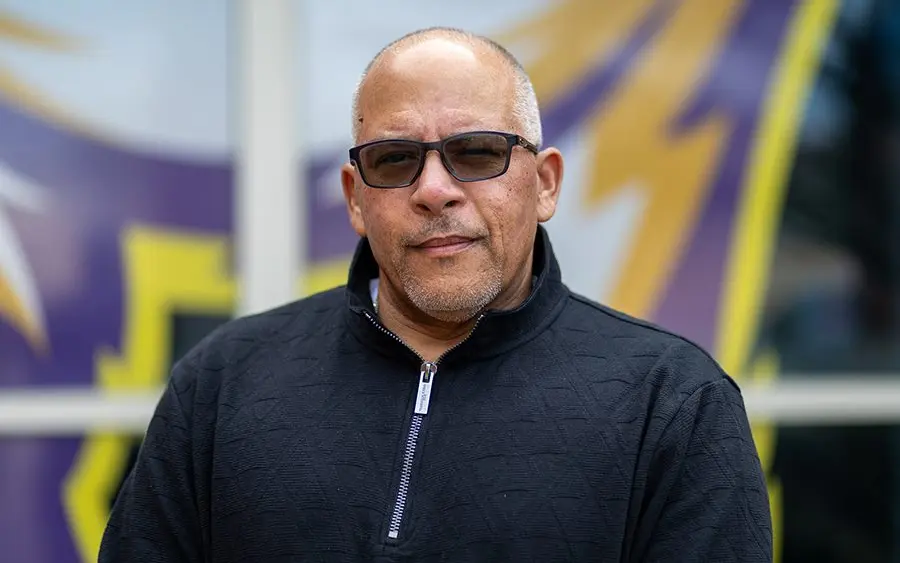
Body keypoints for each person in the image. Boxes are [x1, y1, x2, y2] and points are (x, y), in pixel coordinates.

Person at [99, 26, 772, 562]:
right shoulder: (224, 384)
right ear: (355, 199)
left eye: (476, 152)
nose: (434, 190)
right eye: (394, 159)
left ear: (544, 184)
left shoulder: (672, 403)